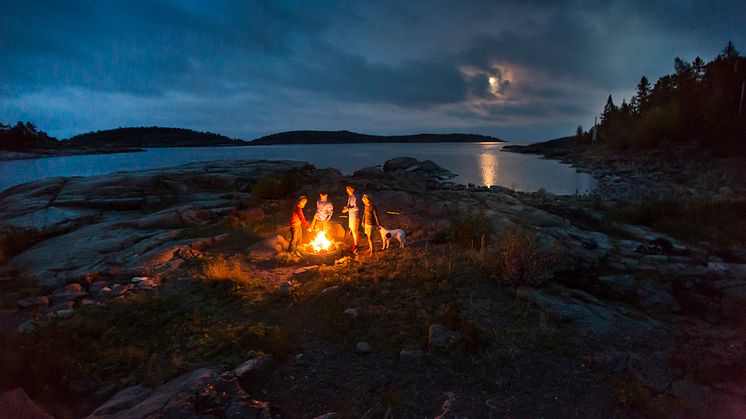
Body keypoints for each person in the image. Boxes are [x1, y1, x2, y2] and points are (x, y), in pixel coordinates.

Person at [342, 184, 361, 252]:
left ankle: (356, 245)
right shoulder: (350, 196)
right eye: (347, 189)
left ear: (353, 189)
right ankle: (355, 244)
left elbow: (357, 208)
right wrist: (346, 208)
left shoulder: (356, 196)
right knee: (352, 230)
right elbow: (349, 206)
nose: (347, 190)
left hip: (355, 215)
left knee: (355, 230)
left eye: (349, 189)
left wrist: (348, 209)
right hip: (351, 215)